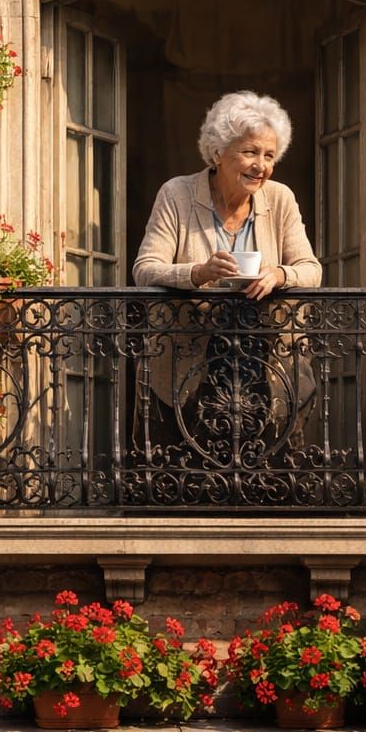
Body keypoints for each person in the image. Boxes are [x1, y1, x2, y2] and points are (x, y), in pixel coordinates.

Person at [131, 91, 322, 459]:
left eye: (269, 156)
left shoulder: (280, 199)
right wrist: (198, 272)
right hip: (190, 355)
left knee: (261, 462)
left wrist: (279, 275)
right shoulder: (177, 195)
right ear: (218, 152)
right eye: (250, 152)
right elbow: (145, 268)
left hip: (264, 358)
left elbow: (310, 269)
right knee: (190, 462)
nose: (260, 165)